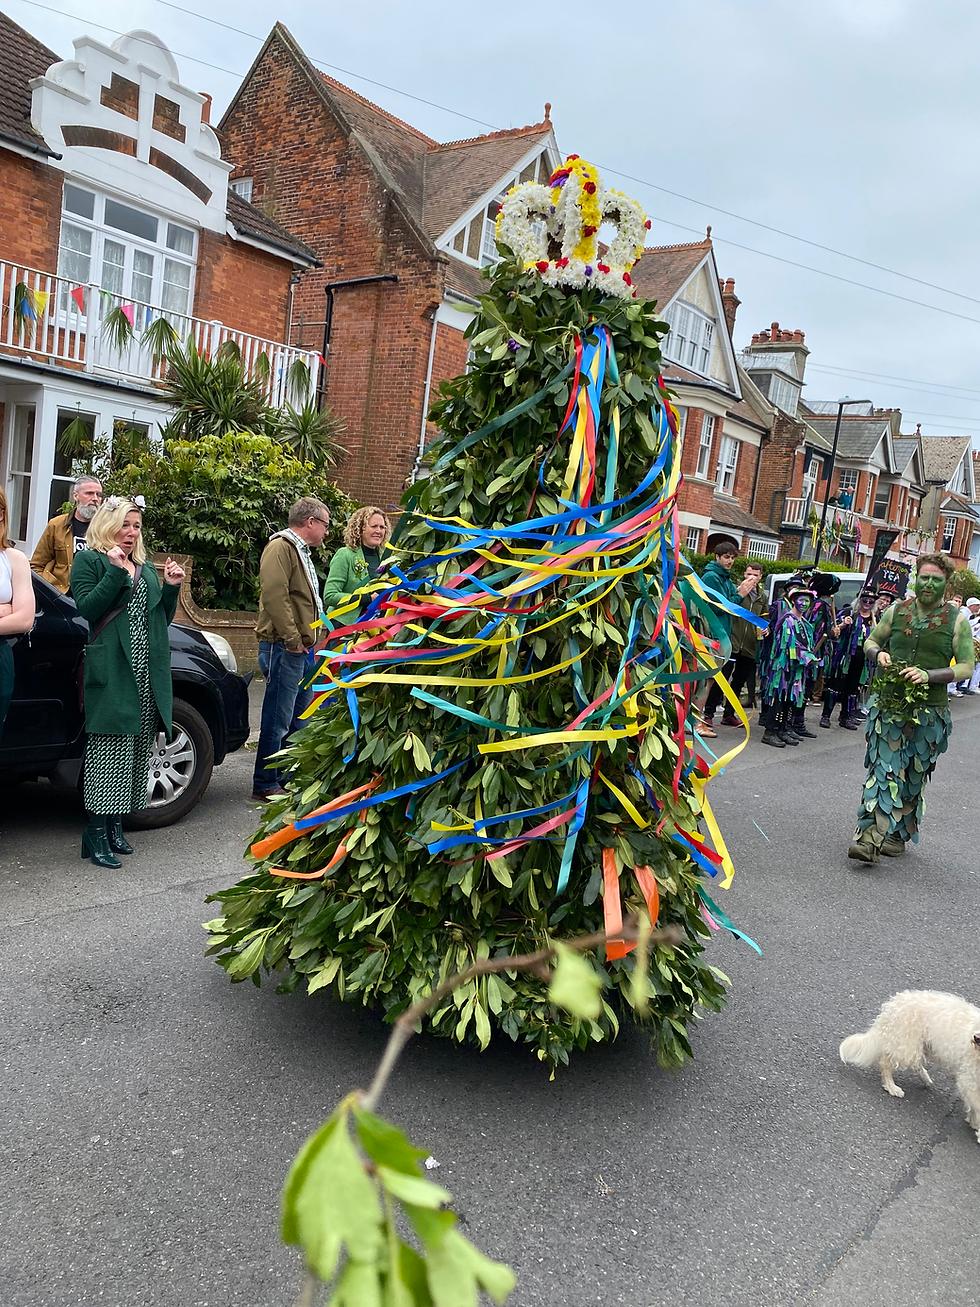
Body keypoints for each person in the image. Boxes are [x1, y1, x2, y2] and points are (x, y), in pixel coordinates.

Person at [70, 497, 184, 867]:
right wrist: (115, 573)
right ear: (107, 525)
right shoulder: (91, 560)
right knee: (107, 756)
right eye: (125, 525)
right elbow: (88, 608)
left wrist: (169, 588)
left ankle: (116, 826)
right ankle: (96, 832)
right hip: (113, 670)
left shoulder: (144, 566)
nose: (132, 533)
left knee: (135, 755)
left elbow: (159, 620)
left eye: (136, 526)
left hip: (145, 672)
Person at [847, 553, 975, 864]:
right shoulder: (896, 611)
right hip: (890, 706)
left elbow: (967, 667)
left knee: (914, 775)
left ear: (946, 584)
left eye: (936, 579)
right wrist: (878, 654)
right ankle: (868, 838)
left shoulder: (957, 620)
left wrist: (929, 675)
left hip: (930, 712)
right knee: (883, 768)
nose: (929, 584)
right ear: (916, 578)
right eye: (924, 577)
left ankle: (897, 833)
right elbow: (871, 641)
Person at [252, 497, 332, 802]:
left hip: (300, 648)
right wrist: (292, 639)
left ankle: (285, 777)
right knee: (278, 718)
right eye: (325, 524)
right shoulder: (281, 547)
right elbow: (275, 595)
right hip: (284, 647)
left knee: (300, 718)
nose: (326, 531)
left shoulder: (300, 551)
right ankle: (265, 782)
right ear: (310, 522)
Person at [682, 540, 744, 738]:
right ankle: (695, 722)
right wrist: (741, 593)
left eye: (733, 558)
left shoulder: (724, 578)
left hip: (720, 636)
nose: (730, 561)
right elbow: (717, 606)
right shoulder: (711, 577)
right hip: (710, 637)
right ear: (717, 557)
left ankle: (694, 720)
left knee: (708, 680)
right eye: (727, 557)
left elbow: (731, 601)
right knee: (705, 680)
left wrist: (741, 590)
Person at [758, 582, 818, 748]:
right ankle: (770, 732)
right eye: (801, 600)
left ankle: (783, 729)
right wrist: (806, 657)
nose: (804, 603)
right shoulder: (787, 621)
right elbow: (790, 647)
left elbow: (806, 645)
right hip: (783, 669)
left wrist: (810, 656)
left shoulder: (805, 623)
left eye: (807, 601)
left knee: (790, 700)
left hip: (796, 670)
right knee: (778, 698)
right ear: (793, 601)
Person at [0, 487, 37, 744]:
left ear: (2, 514)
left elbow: (24, 619)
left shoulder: (14, 559)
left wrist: (15, 611)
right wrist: (5, 609)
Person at [715, 560, 768, 725]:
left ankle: (728, 714)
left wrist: (766, 629)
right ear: (744, 575)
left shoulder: (762, 597)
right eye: (749, 574)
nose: (752, 578)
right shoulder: (736, 591)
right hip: (733, 641)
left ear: (760, 577)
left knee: (738, 682)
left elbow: (764, 619)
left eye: (755, 575)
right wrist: (740, 592)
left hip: (750, 645)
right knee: (722, 678)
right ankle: (709, 713)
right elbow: (726, 608)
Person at [30, 474, 103, 593]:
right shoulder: (56, 525)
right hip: (61, 596)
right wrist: (51, 592)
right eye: (89, 493)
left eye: (98, 494)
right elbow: (36, 566)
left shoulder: (107, 528)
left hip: (93, 597)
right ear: (75, 496)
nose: (95, 498)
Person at [821, 588, 876, 729]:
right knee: (835, 687)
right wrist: (843, 624)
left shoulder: (875, 620)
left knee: (852, 690)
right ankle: (826, 716)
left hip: (861, 661)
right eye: (864, 600)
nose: (867, 603)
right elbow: (834, 632)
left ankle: (846, 717)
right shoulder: (850, 613)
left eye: (871, 601)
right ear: (859, 600)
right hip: (844, 658)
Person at [322, 506, 393, 612]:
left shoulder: (387, 558)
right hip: (344, 625)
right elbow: (330, 596)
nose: (378, 531)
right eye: (374, 526)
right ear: (360, 528)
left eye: (382, 527)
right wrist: (366, 599)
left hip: (376, 625)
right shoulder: (345, 555)